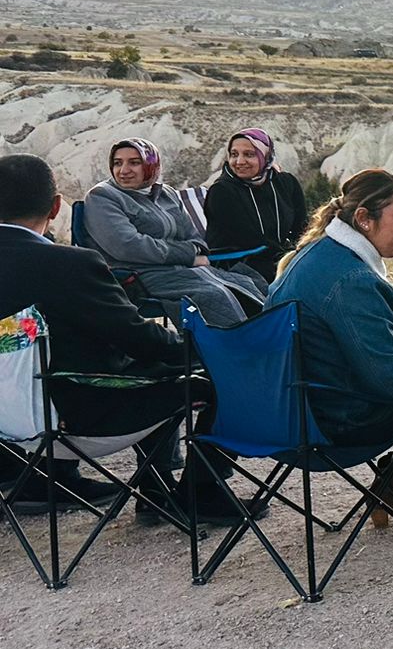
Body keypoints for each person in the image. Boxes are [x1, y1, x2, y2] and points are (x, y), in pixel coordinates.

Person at [0, 154, 256, 524]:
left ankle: (46, 482)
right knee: (198, 380)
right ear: (56, 207)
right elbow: (140, 340)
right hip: (75, 420)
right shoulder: (69, 265)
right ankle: (198, 492)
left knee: (135, 368)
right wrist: (208, 351)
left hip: (7, 425)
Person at [266, 169, 393, 527]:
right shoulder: (352, 280)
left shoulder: (316, 255)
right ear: (363, 219)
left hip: (291, 413)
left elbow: (354, 342)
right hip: (334, 424)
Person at [83, 138, 266, 326]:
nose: (124, 170)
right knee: (214, 295)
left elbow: (193, 236)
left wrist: (195, 252)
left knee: (248, 284)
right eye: (117, 163)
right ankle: (227, 352)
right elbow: (129, 246)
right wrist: (189, 256)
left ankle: (272, 345)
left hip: (183, 271)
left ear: (151, 165)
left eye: (135, 162)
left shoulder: (165, 194)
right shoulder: (103, 197)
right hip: (140, 276)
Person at [202, 127, 308, 283]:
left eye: (249, 155)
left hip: (278, 258)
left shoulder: (285, 183)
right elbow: (249, 238)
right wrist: (290, 256)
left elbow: (302, 227)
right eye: (234, 154)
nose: (239, 162)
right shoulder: (222, 192)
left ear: (265, 156)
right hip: (238, 264)